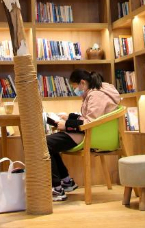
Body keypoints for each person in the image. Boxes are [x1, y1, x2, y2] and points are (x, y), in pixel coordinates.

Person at [46, 69, 120, 201]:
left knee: (45, 144)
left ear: (83, 83)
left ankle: (57, 188)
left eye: (75, 87)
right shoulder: (98, 92)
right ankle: (66, 181)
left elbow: (89, 122)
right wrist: (70, 117)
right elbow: (92, 117)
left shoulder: (96, 95)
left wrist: (66, 125)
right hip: (90, 133)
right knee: (49, 144)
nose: (75, 90)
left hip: (88, 136)